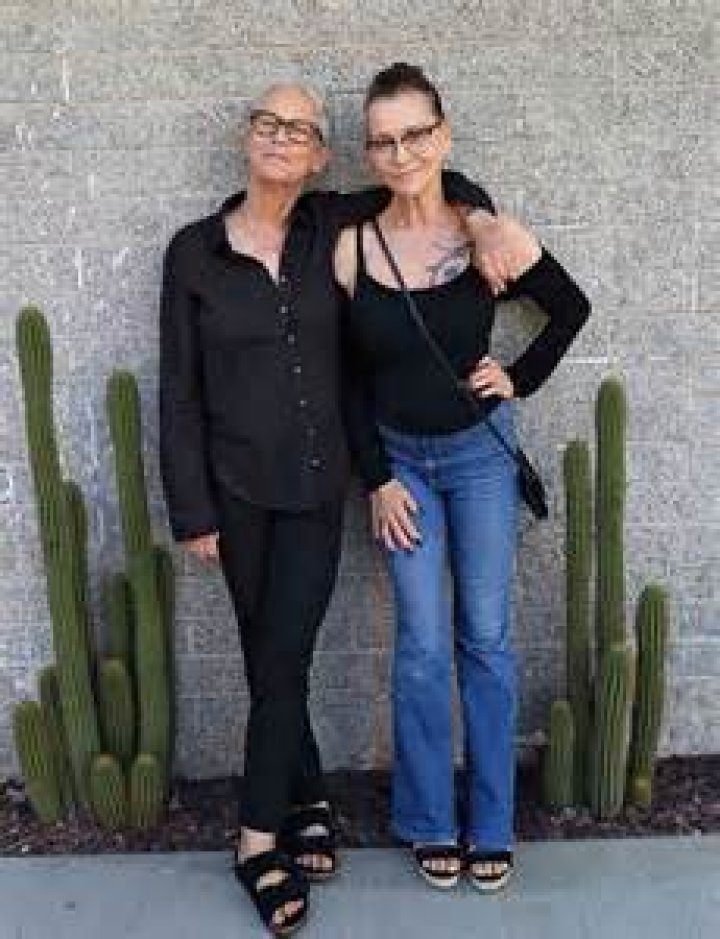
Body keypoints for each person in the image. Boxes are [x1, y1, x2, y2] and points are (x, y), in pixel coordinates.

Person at [159, 81, 509, 934]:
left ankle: (255, 840)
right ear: (246, 138)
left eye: (300, 129)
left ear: (321, 156)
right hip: (235, 491)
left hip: (317, 490)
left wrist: (484, 216)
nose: (282, 137)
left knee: (283, 658)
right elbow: (179, 389)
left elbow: (426, 179)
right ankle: (308, 795)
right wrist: (191, 508)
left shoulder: (331, 226)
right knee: (268, 659)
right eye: (268, 123)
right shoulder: (195, 252)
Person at [334, 63, 590, 894]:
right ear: (369, 153)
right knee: (419, 644)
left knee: (485, 635)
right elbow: (346, 378)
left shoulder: (488, 235)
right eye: (383, 140)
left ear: (442, 136)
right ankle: (427, 819)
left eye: (416, 134)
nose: (401, 152)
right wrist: (376, 477)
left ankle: (491, 820)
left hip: (480, 456)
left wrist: (518, 376)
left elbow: (571, 308)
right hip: (401, 465)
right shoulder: (354, 243)